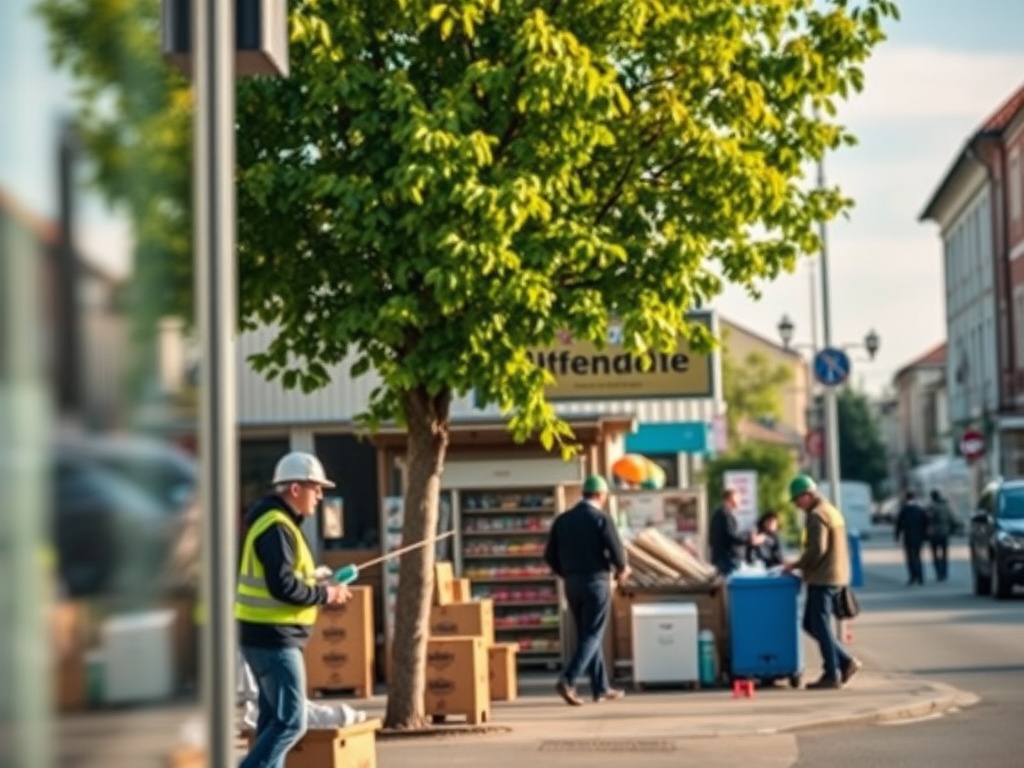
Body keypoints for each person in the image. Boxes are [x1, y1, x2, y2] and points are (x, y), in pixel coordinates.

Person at [236, 451, 352, 768]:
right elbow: (283, 586)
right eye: (316, 488)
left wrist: (315, 580)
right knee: (291, 723)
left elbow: (283, 579)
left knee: (273, 721)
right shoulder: (277, 527)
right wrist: (325, 595)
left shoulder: (275, 523)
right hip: (275, 640)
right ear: (295, 489)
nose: (320, 496)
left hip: (264, 637)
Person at [544, 474, 631, 706]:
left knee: (587, 636)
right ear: (601, 496)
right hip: (596, 582)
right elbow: (616, 550)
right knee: (593, 634)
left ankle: (601, 687)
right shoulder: (601, 518)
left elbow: (549, 555)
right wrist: (622, 569)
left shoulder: (562, 520)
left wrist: (567, 573)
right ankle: (568, 679)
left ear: (584, 494)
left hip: (572, 584)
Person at [782, 474, 861, 690]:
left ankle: (831, 673)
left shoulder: (816, 515)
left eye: (797, 500)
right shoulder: (831, 510)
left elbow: (818, 549)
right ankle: (845, 662)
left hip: (823, 578)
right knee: (811, 623)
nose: (797, 505)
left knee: (820, 624)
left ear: (806, 495)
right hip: (836, 576)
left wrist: (795, 565)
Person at [709, 488, 763, 576]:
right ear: (730, 498)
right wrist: (750, 538)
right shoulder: (724, 514)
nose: (740, 500)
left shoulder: (722, 514)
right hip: (727, 560)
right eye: (737, 497)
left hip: (724, 560)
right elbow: (731, 536)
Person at [894, 490, 929, 585]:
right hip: (919, 537)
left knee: (910, 558)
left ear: (906, 498)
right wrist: (925, 536)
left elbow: (899, 525)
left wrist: (896, 537)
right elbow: (926, 523)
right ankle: (920, 577)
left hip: (908, 537)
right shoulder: (920, 509)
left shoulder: (904, 510)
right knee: (918, 557)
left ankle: (913, 576)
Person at [927, 489, 955, 582]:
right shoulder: (945, 506)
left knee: (935, 555)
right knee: (944, 554)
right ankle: (944, 572)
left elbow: (928, 519)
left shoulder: (931, 506)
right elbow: (952, 518)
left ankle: (939, 573)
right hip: (944, 532)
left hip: (934, 533)